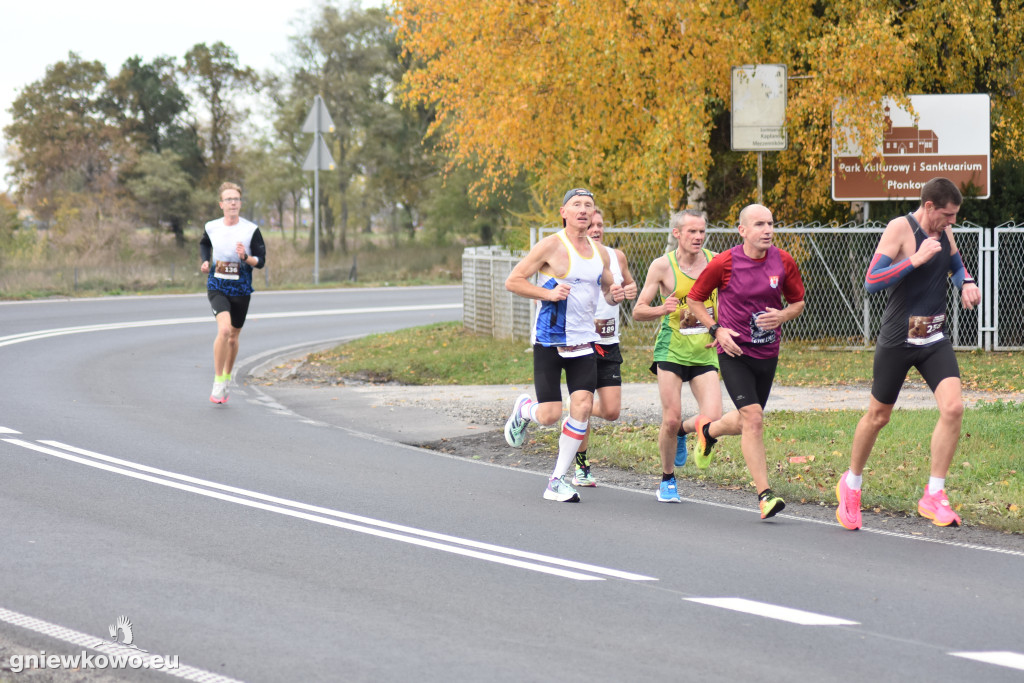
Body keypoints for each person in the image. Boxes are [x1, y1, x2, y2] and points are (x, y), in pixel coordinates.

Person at [835, 177, 980, 530]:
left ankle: (934, 493)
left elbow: (956, 265)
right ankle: (851, 484)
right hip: (899, 338)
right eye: (948, 214)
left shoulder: (944, 231)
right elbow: (872, 280)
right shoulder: (901, 228)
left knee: (954, 407)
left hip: (933, 338)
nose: (953, 222)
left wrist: (967, 282)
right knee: (877, 417)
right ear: (929, 206)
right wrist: (914, 259)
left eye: (956, 216)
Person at [503, 188, 625, 502]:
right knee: (549, 415)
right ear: (564, 212)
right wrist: (548, 294)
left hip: (585, 343)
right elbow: (514, 281)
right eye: (577, 205)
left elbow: (609, 291)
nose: (583, 210)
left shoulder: (599, 253)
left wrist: (619, 294)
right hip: (550, 341)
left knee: (582, 407)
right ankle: (524, 410)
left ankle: (557, 479)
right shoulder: (552, 245)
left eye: (589, 205)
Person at [685, 204, 805, 520]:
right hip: (734, 353)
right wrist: (716, 329)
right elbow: (694, 299)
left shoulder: (784, 261)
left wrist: (782, 314)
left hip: (768, 353)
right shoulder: (725, 263)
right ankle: (765, 496)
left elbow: (798, 303)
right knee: (753, 418)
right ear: (742, 230)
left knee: (744, 420)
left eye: (770, 223)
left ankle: (708, 432)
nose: (767, 230)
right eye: (759, 224)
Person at [632, 210, 723, 503]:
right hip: (671, 350)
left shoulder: (717, 262)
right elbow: (638, 310)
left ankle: (685, 431)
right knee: (669, 419)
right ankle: (667, 479)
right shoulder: (662, 266)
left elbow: (734, 300)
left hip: (704, 351)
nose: (698, 237)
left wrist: (723, 330)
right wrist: (662, 309)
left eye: (701, 232)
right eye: (691, 232)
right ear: (677, 234)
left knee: (714, 419)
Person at [573, 208, 637, 487]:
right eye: (591, 224)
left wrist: (631, 290)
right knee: (584, 405)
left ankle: (575, 407)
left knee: (611, 411)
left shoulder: (616, 256)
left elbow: (629, 283)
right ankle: (581, 466)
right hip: (582, 342)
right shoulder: (573, 258)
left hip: (609, 342)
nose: (596, 229)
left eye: (600, 224)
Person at [199, 182, 267, 404]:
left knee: (234, 337)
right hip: (217, 284)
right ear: (221, 204)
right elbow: (204, 244)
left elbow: (261, 261)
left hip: (241, 288)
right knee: (225, 330)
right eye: (228, 200)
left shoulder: (250, 230)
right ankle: (218, 381)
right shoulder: (212, 227)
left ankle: (227, 376)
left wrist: (245, 257)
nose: (233, 203)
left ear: (240, 203)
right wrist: (205, 261)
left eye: (236, 199)